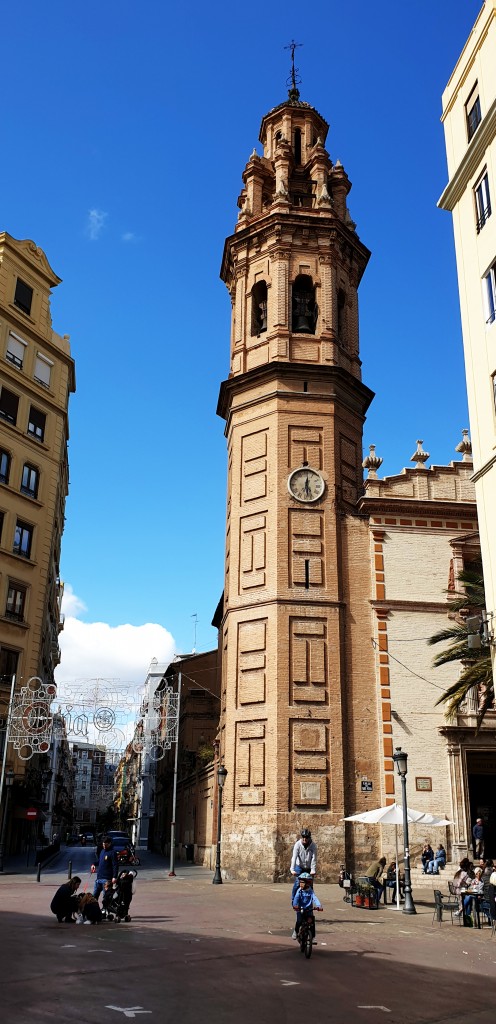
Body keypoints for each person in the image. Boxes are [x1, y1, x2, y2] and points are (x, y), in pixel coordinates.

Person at [292, 873, 323, 941]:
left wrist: (318, 905)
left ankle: (313, 937)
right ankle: (296, 931)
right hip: (300, 909)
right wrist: (295, 905)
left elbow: (314, 898)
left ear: (308, 883)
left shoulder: (310, 891)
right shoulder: (299, 891)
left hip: (309, 909)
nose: (301, 884)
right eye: (300, 882)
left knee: (311, 922)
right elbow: (296, 898)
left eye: (303, 883)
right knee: (299, 921)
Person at [290, 828, 317, 904]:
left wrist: (313, 869)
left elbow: (314, 858)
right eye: (303, 837)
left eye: (306, 838)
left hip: (308, 868)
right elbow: (294, 857)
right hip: (300, 867)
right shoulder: (297, 845)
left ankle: (311, 901)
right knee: (297, 883)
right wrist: (292, 869)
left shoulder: (313, 846)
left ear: (309, 838)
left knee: (309, 885)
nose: (304, 839)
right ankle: (293, 899)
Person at [91, 835, 118, 903]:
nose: (104, 846)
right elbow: (99, 861)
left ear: (109, 844)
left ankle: (105, 911)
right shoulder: (102, 851)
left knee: (106, 897)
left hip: (106, 880)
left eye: (105, 845)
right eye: (103, 844)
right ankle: (94, 910)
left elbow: (115, 865)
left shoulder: (112, 852)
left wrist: (114, 876)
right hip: (98, 879)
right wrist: (93, 864)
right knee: (94, 896)